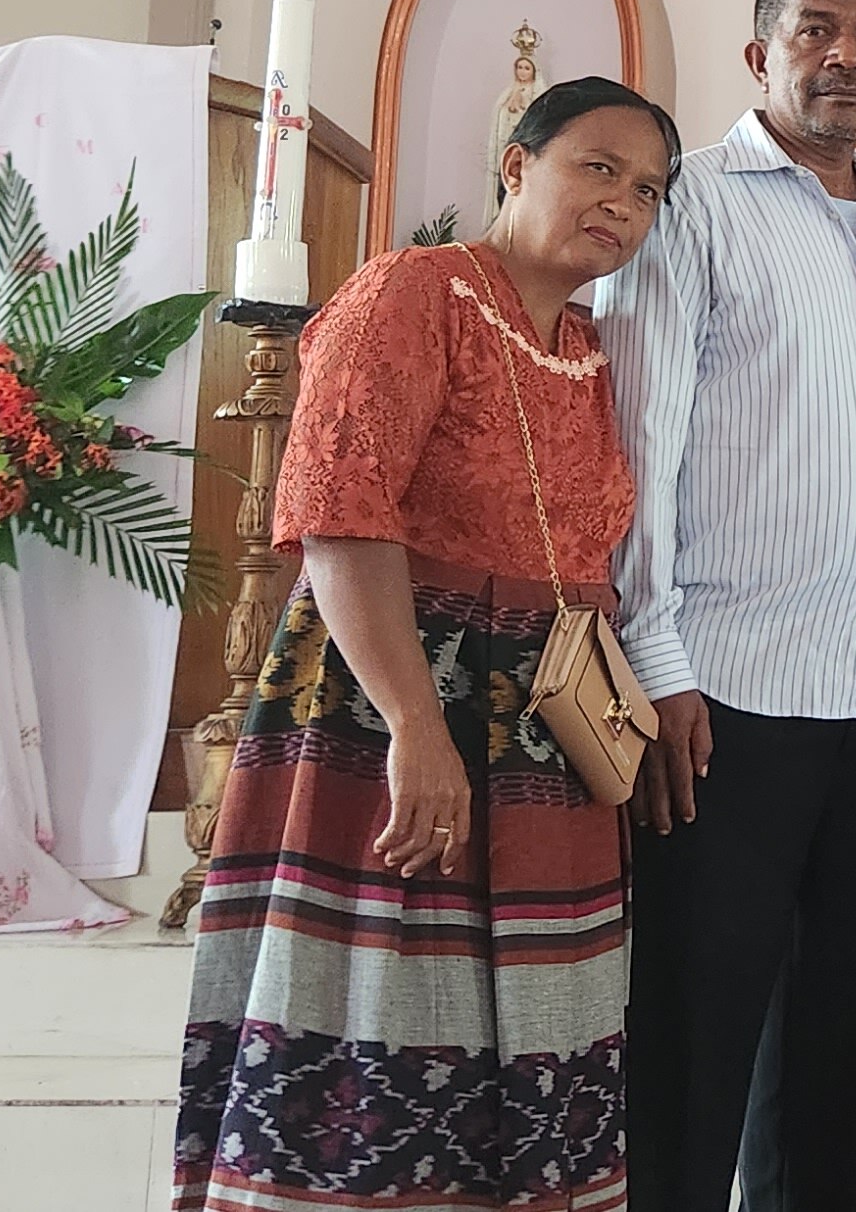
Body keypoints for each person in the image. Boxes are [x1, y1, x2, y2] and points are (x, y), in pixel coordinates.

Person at [174, 79, 680, 1212]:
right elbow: (342, 515)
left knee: (546, 1033)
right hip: (392, 699)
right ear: (516, 161)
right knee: (385, 1019)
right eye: (597, 166)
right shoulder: (413, 293)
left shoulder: (597, 347)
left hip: (548, 730)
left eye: (647, 189)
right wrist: (412, 721)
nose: (622, 203)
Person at [599, 0, 856, 1212]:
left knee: (844, 1037)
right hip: (728, 695)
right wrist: (659, 666)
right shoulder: (688, 205)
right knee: (700, 1032)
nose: (846, 56)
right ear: (761, 52)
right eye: (817, 30)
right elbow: (639, 445)